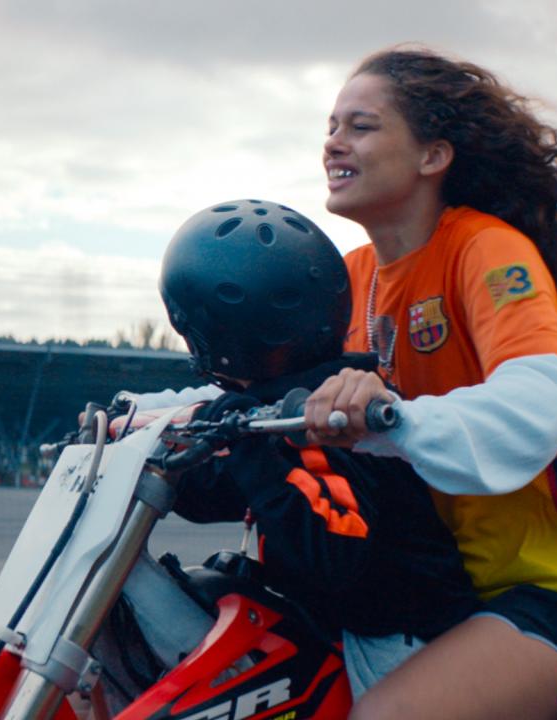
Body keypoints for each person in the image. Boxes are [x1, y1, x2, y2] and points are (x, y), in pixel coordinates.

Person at [297, 48, 557, 720]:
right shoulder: (346, 276)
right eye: (330, 127)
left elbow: (543, 391)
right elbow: (260, 388)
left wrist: (396, 417)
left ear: (433, 156)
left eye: (361, 126)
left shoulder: (483, 247)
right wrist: (146, 417)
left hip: (554, 587)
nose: (333, 144)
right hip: (431, 583)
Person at [157, 199, 482, 696]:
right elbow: (227, 492)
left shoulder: (323, 418)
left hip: (397, 642)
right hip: (345, 625)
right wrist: (158, 465)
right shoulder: (284, 407)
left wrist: (244, 447)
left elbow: (335, 551)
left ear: (211, 335)